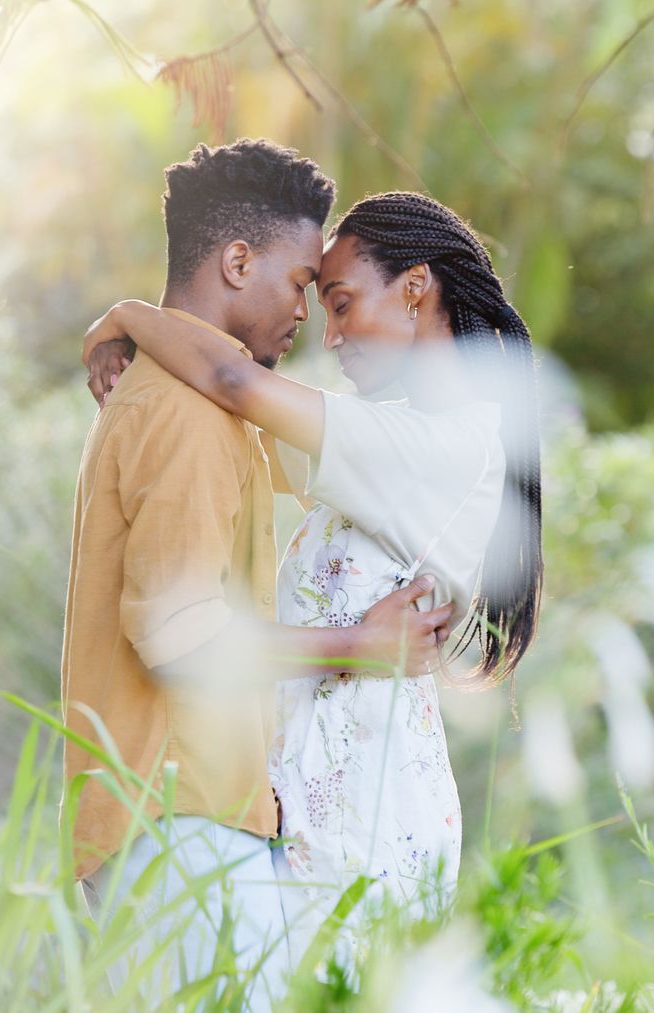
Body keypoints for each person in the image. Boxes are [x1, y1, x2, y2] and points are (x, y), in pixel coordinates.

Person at [82, 190, 545, 971]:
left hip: (366, 815)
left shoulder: (443, 451)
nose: (329, 337)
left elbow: (233, 384)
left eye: (339, 301)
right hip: (312, 810)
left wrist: (129, 315)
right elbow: (233, 413)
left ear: (414, 287)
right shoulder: (389, 443)